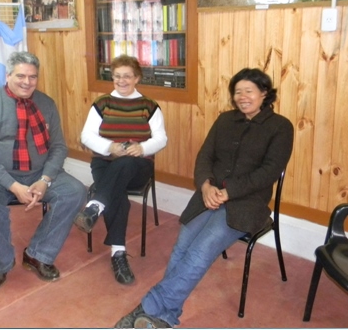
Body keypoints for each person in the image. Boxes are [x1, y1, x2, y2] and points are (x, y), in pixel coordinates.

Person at [114, 68, 294, 328]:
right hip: (209, 195)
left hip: (246, 203)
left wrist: (229, 192)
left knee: (200, 251)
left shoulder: (280, 127)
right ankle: (165, 317)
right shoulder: (225, 120)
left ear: (264, 93)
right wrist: (206, 186)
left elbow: (269, 172)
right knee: (182, 248)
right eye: (238, 92)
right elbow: (204, 157)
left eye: (249, 91)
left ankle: (149, 306)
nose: (242, 97)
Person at [0, 51, 85, 291]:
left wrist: (45, 180)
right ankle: (3, 262)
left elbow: (59, 147)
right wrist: (13, 186)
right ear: (9, 75)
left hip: (39, 173)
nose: (27, 82)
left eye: (32, 77)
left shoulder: (46, 104)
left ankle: (38, 254)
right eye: (20, 75)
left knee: (75, 192)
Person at [74, 55, 167, 285]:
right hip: (104, 162)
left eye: (127, 76)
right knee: (118, 196)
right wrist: (109, 147)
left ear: (137, 78)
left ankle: (95, 205)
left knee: (125, 161)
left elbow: (161, 138)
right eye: (117, 76)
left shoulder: (149, 106)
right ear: (112, 77)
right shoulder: (102, 103)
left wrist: (142, 147)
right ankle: (118, 252)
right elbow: (86, 136)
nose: (122, 80)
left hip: (138, 165)